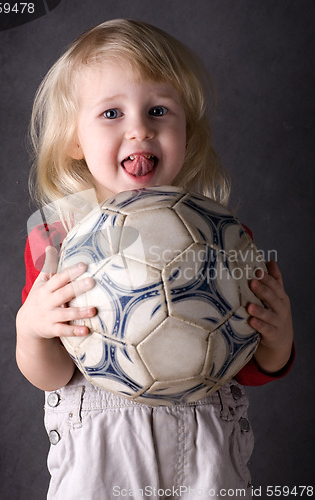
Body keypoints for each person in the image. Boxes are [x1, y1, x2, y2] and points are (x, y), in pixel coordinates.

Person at [16, 19, 294, 500]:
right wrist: (32, 329)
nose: (139, 129)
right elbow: (53, 375)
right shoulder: (56, 238)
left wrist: (278, 337)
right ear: (74, 140)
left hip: (206, 457)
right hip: (102, 460)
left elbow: (251, 367)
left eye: (159, 110)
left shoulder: (223, 240)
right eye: (111, 114)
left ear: (186, 130)